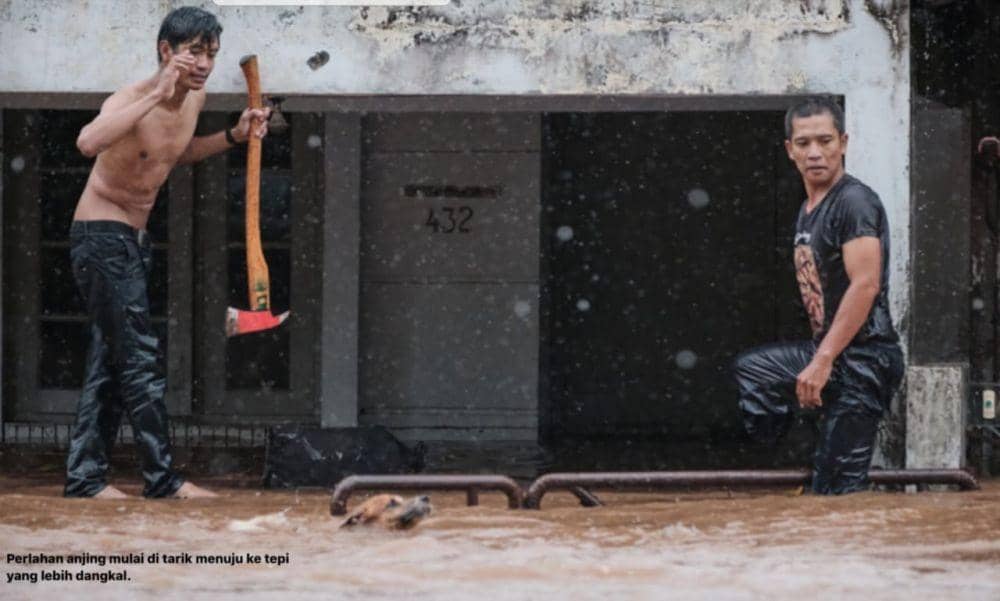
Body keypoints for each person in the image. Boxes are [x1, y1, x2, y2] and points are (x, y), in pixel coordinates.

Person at [65, 6, 270, 499]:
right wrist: (155, 93)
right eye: (193, 52)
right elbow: (87, 142)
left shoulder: (194, 101)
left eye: (211, 54)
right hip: (100, 236)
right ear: (166, 51)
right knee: (137, 361)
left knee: (112, 362)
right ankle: (162, 481)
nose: (203, 64)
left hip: (134, 241)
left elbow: (175, 153)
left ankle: (85, 480)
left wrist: (235, 136)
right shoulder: (134, 98)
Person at [733, 97, 904, 494]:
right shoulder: (810, 208)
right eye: (804, 143)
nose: (815, 153)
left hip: (864, 358)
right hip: (833, 353)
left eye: (825, 141)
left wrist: (823, 360)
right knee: (753, 370)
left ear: (843, 142)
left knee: (837, 497)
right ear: (789, 150)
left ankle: (826, 476)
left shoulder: (853, 201)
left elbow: (866, 284)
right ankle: (787, 456)